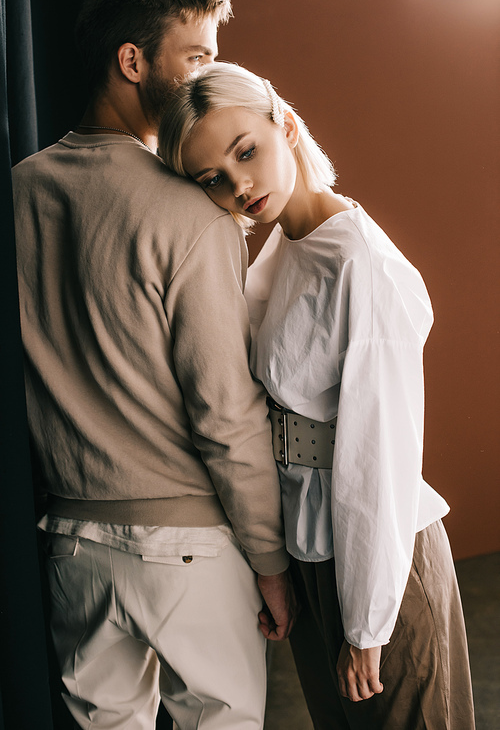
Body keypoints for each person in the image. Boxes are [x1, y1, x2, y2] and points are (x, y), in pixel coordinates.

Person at [158, 61, 476, 729]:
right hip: (313, 557)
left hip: (381, 563)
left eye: (246, 152)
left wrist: (366, 621)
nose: (238, 185)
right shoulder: (283, 249)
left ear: (287, 125)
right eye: (212, 176)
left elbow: (377, 457)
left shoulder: (361, 264)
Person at [13, 0, 295, 729]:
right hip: (191, 548)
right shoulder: (193, 213)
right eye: (197, 55)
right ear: (133, 61)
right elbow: (225, 413)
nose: (211, 73)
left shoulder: (18, 193)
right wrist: (270, 560)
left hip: (72, 547)